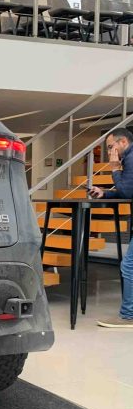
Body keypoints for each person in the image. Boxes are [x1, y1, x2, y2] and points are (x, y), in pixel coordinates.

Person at [89, 128, 133, 328]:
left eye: (110, 147)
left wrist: (115, 168)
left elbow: (126, 192)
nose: (108, 152)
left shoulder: (131, 158)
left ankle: (128, 315)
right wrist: (105, 193)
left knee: (128, 266)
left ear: (123, 142)